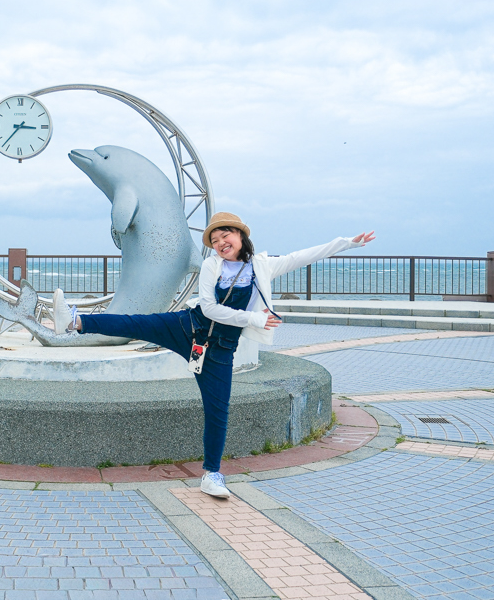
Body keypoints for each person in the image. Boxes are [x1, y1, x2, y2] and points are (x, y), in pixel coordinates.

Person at [63, 212, 375, 498]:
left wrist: (347, 243)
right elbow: (209, 307)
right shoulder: (213, 265)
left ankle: (212, 474)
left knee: (217, 412)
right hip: (187, 327)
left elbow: (304, 256)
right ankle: (76, 321)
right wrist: (253, 319)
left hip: (220, 351)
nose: (220, 242)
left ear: (240, 236)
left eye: (225, 235)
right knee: (137, 323)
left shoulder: (262, 266)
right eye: (214, 240)